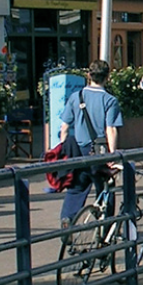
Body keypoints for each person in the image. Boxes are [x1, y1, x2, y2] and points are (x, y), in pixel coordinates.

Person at [59, 59, 122, 228]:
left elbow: (64, 128)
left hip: (79, 150)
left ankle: (68, 218)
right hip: (99, 151)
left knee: (76, 188)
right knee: (105, 188)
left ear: (89, 76)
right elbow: (111, 129)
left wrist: (64, 150)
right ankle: (104, 229)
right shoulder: (110, 100)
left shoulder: (75, 97)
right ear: (107, 77)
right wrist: (112, 155)